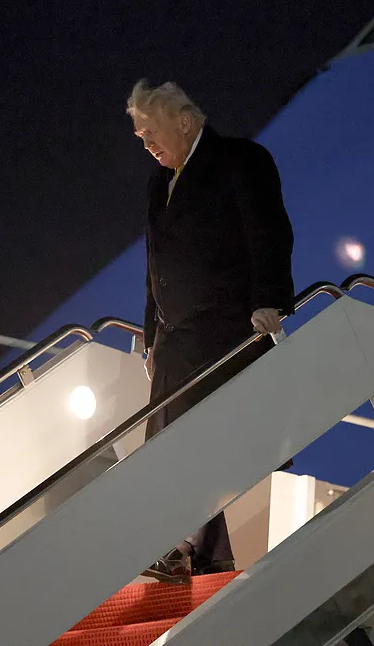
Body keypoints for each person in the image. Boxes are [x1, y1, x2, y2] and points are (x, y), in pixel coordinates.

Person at [126, 79, 295, 583]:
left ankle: (178, 543)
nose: (146, 143)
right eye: (139, 137)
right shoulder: (159, 182)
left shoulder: (241, 160)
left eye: (151, 132)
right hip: (173, 336)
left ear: (184, 122)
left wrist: (268, 299)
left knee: (199, 441)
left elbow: (269, 231)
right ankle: (200, 551)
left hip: (225, 327)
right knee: (169, 443)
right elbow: (155, 264)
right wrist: (149, 334)